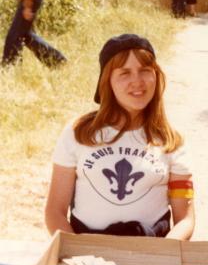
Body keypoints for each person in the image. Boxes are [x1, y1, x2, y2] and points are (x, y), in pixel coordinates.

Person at [45, 34, 195, 240]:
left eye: (145, 71)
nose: (137, 81)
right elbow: (55, 212)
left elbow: (185, 220)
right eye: (124, 73)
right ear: (107, 81)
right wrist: (76, 253)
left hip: (153, 249)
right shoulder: (78, 133)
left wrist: (163, 253)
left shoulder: (171, 141)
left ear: (156, 76)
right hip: (86, 251)